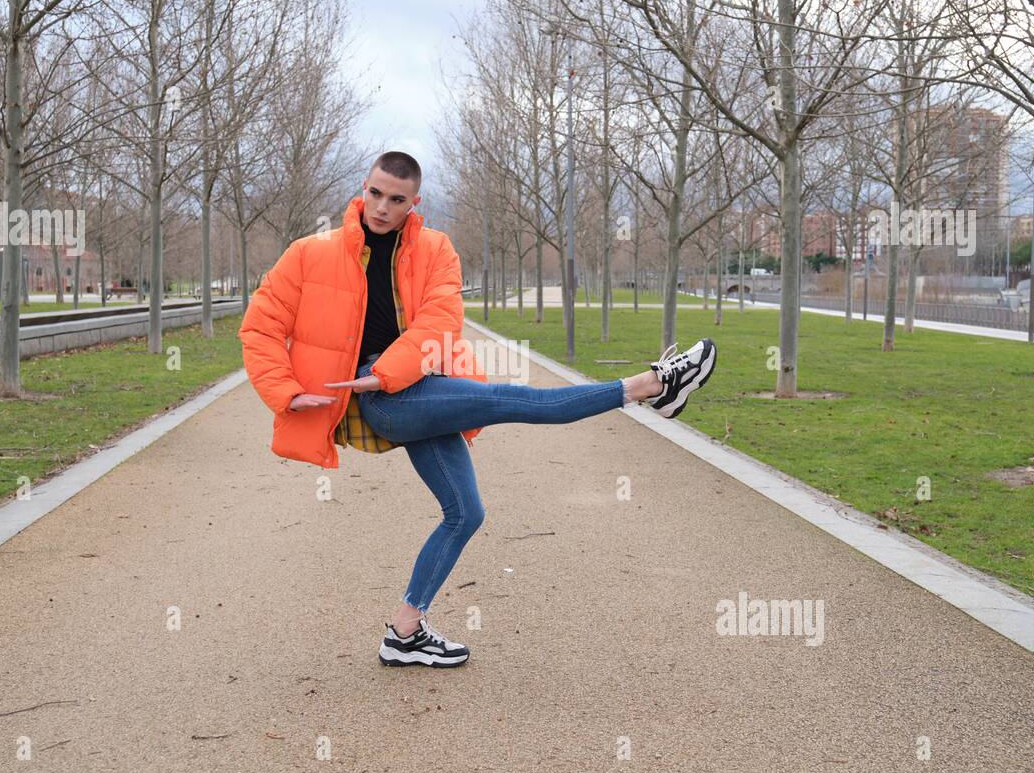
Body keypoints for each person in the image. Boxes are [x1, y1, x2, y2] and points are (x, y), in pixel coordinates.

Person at [237, 151, 717, 668]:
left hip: (409, 381)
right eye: (375, 193)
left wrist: (390, 371)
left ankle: (404, 632)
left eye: (396, 199)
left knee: (465, 514)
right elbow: (261, 326)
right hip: (383, 401)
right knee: (508, 399)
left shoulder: (436, 249)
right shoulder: (310, 253)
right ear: (364, 187)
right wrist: (285, 390)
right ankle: (650, 386)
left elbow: (441, 319)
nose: (381, 207)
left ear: (413, 202)